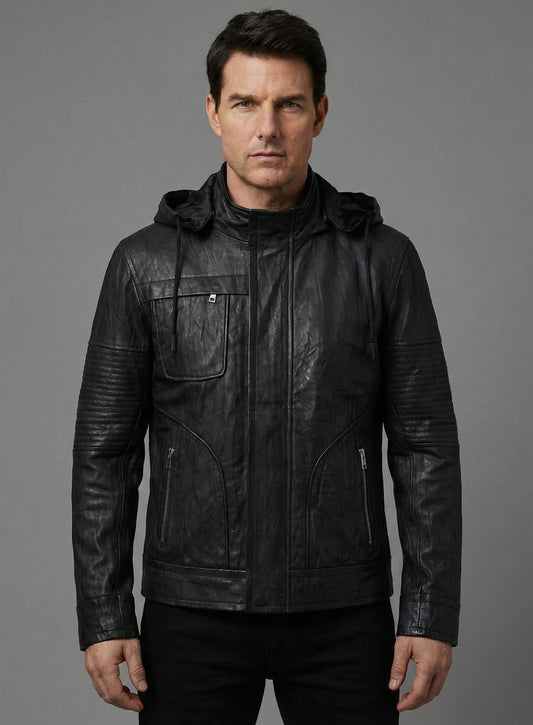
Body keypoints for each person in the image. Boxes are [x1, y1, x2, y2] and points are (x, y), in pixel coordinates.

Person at [72, 9, 461, 724]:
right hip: (191, 613)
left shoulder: (383, 261)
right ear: (213, 112)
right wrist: (103, 612)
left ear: (320, 114)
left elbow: (424, 448)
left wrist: (428, 611)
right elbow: (105, 453)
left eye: (289, 104)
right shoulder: (145, 263)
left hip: (344, 613)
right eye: (246, 103)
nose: (268, 128)